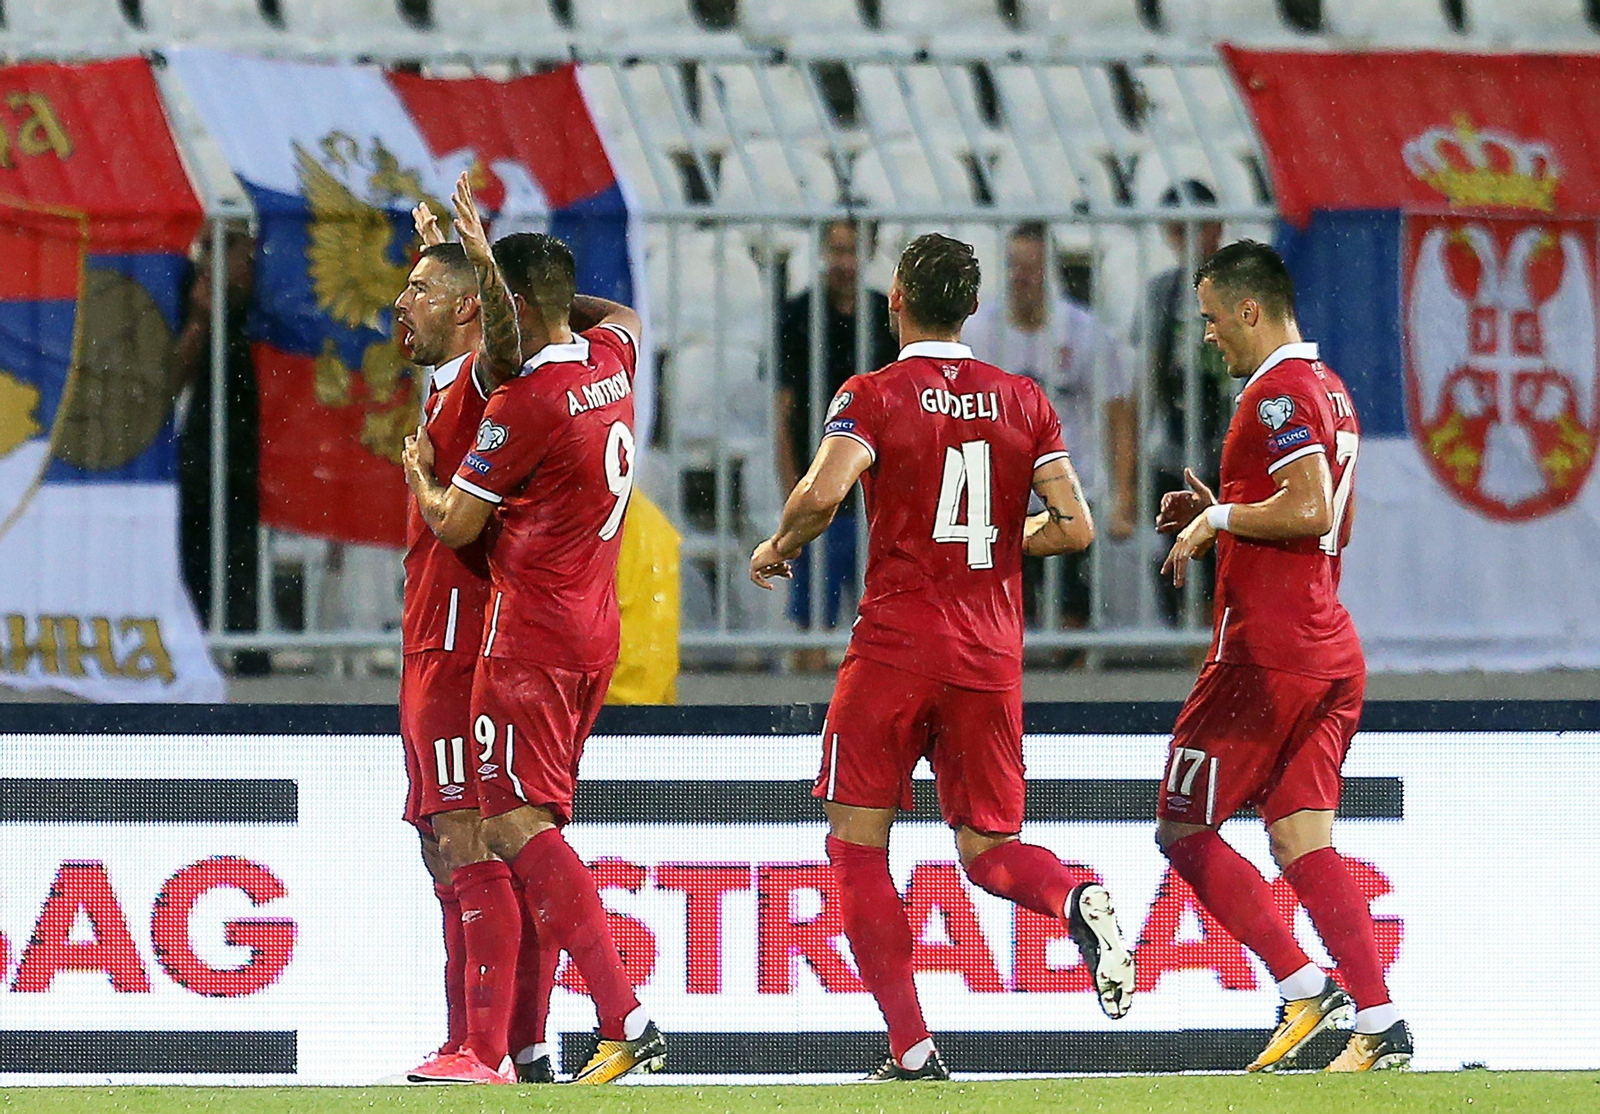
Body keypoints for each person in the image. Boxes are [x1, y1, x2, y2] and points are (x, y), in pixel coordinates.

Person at [750, 233, 1136, 1081]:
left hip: (896, 646)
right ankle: (1072, 895)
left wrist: (779, 544)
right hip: (989, 656)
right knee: (990, 850)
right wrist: (999, 541)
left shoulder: (873, 394)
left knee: (856, 847)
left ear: (896, 300)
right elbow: (1073, 526)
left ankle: (913, 1049)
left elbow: (823, 491)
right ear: (970, 306)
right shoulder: (1023, 399)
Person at [402, 190, 664, 1085]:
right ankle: (525, 1044)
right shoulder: (609, 354)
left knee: (488, 829)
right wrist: (498, 272)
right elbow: (616, 313)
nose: (406, 303)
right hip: (588, 626)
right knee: (504, 830)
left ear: (489, 308)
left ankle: (584, 1022)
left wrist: (421, 479)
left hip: (508, 633)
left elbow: (458, 524)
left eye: (424, 290)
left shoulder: (516, 391)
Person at [1156, 240, 1410, 1073]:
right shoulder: (1330, 388)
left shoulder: (1274, 396)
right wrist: (1225, 505)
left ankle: (1305, 986)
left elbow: (1303, 507)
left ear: (1250, 310)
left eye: (1212, 318)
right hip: (1330, 645)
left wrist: (1220, 523)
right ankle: (1380, 1020)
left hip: (1265, 655)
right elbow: (1330, 520)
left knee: (1185, 827)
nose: (1208, 336)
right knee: (1303, 839)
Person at [394, 195, 557, 1086]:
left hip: (464, 643)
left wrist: (476, 262)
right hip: (427, 642)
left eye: (418, 290)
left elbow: (502, 340)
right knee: (441, 845)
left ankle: (485, 1049)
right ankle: (492, 1040)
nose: (399, 303)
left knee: (471, 839)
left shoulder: (489, 380)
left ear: (465, 308)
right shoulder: (440, 385)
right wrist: (440, 254)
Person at [964, 222, 1137, 631]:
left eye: (1031, 266)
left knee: (1072, 617)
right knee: (1006, 619)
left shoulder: (1085, 332)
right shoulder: (978, 331)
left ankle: (1072, 686)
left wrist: (1124, 497)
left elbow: (1118, 414)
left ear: (1050, 270)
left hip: (1070, 491)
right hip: (999, 498)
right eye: (1013, 265)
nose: (1020, 276)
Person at [775, 220, 897, 658]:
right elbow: (784, 408)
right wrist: (794, 485)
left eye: (852, 251)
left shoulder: (884, 316)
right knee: (813, 628)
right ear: (824, 251)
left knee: (883, 626)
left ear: (868, 254)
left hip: (874, 493)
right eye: (837, 251)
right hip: (821, 485)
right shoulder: (799, 314)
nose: (844, 262)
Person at [174, 228, 266, 673]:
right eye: (209, 246)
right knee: (196, 551)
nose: (218, 259)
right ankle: (198, 652)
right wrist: (200, 316)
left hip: (259, 441)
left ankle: (249, 649)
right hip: (202, 443)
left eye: (228, 245)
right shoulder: (189, 289)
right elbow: (172, 380)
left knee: (242, 551)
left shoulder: (268, 301)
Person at [1138, 180, 1228, 623]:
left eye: (1197, 229)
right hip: (1174, 448)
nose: (1188, 241)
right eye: (1177, 231)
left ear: (1218, 229)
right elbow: (1150, 373)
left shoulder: (1242, 292)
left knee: (1224, 551)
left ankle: (1218, 641)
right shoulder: (1163, 293)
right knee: (1173, 546)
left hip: (1228, 443)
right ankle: (1180, 637)